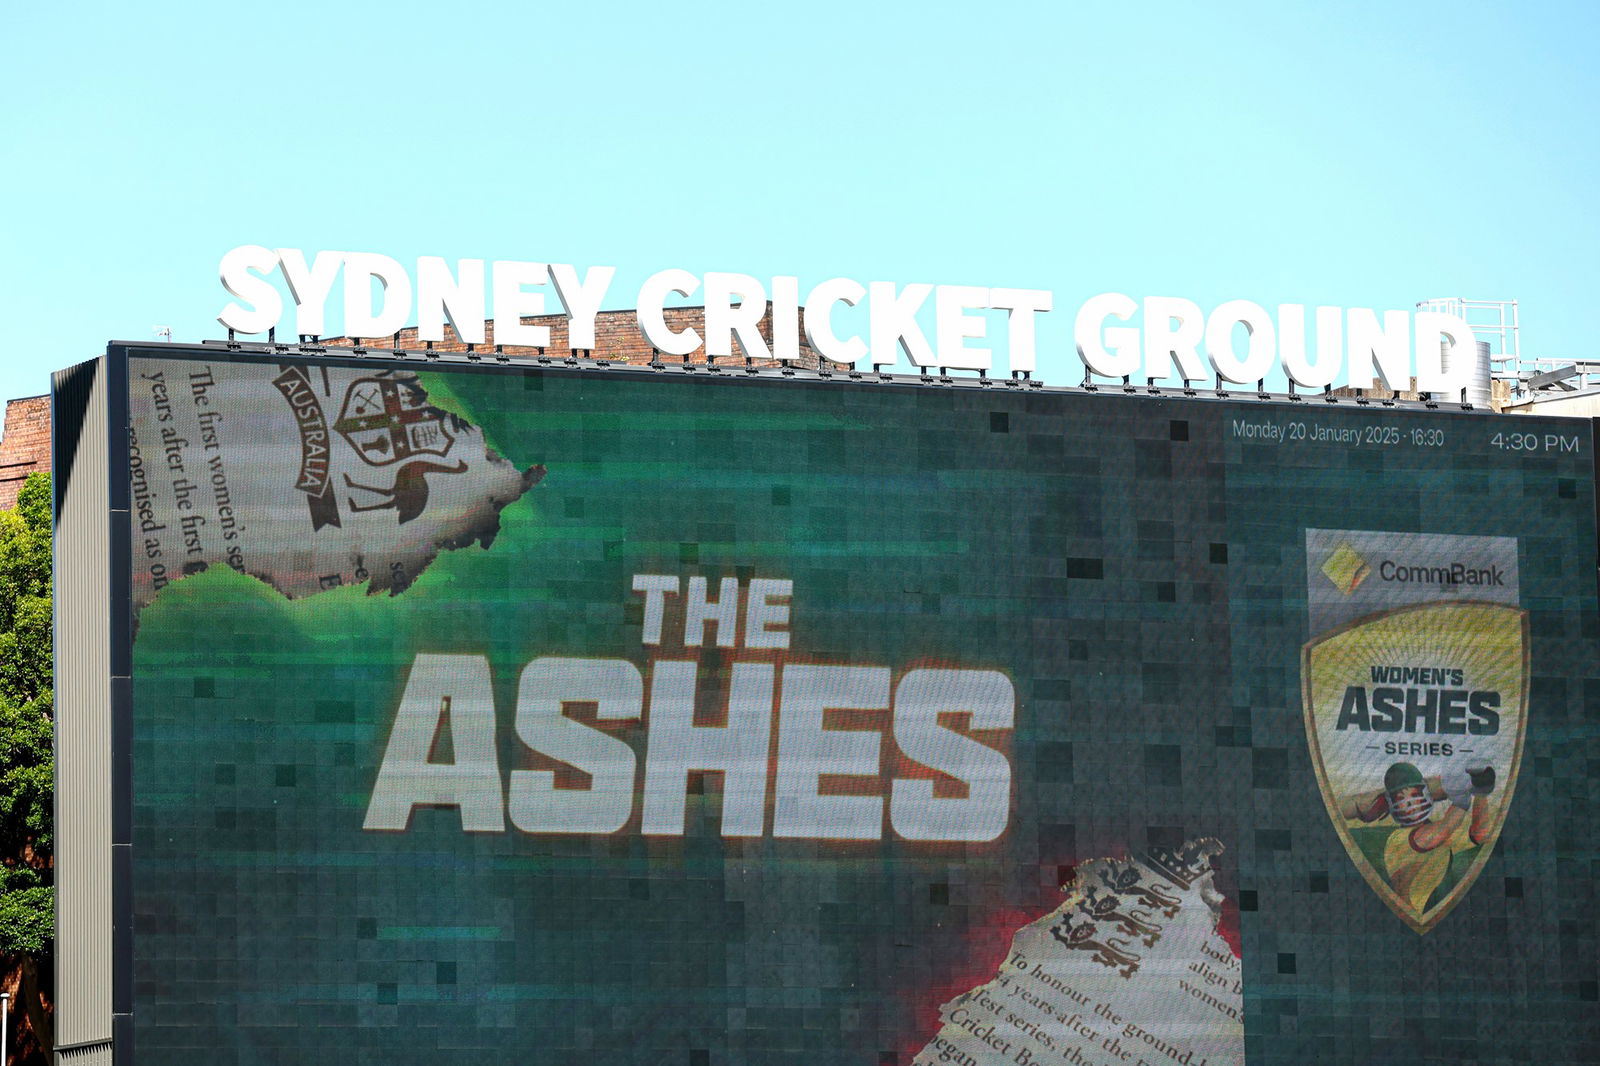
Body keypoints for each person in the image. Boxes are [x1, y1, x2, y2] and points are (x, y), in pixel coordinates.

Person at [1337, 761, 1496, 916]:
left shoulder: (1439, 838)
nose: (1409, 802)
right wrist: (1463, 795)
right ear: (1392, 804)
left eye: (1414, 795)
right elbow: (1443, 830)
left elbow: (1480, 836)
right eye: (1401, 799)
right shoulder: (1400, 838)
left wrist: (1481, 793)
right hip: (1413, 916)